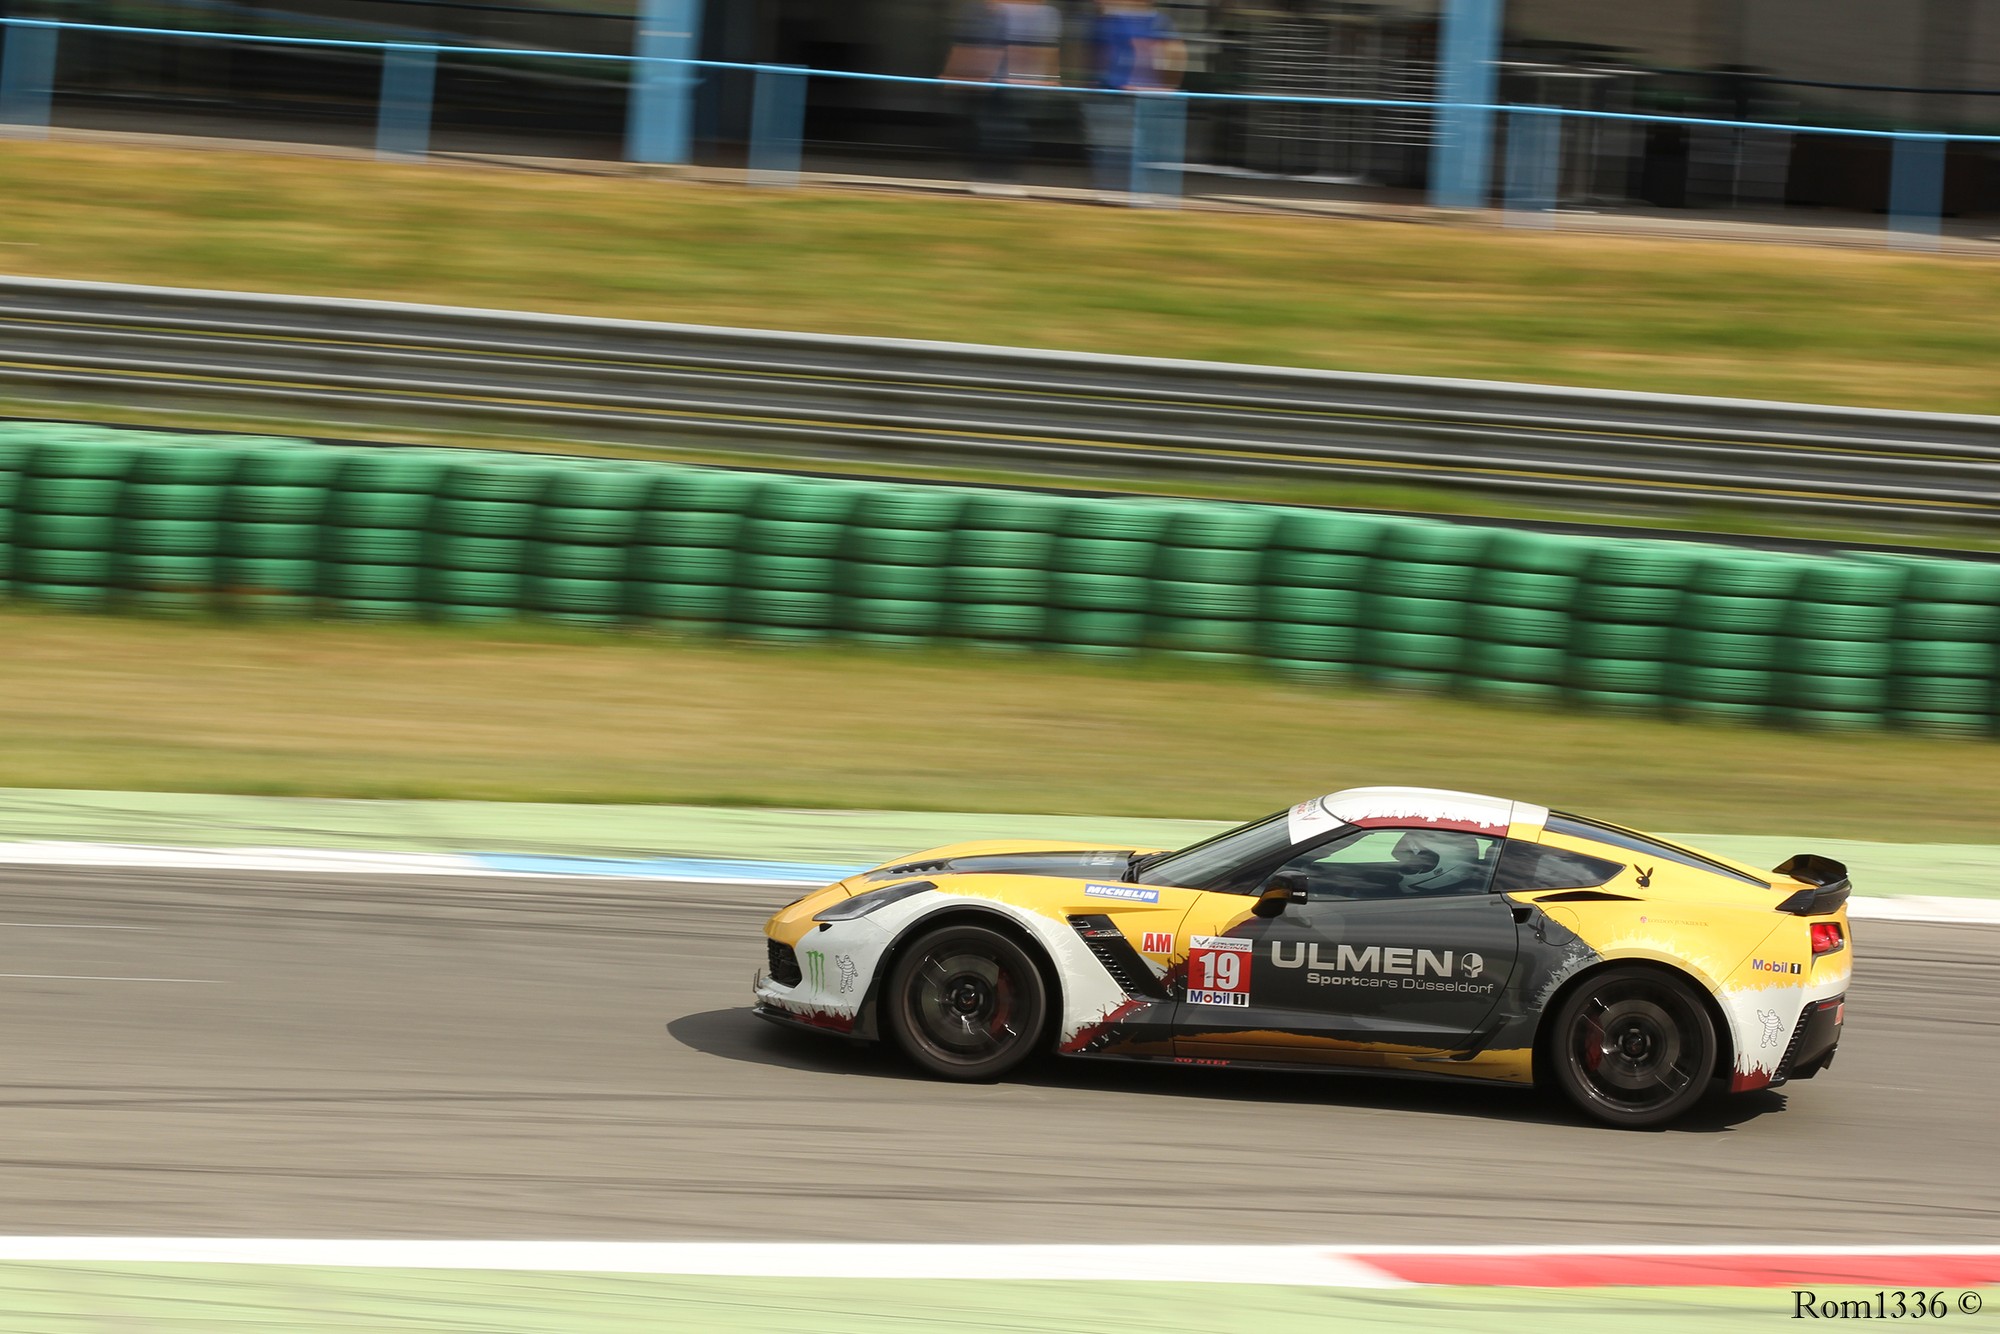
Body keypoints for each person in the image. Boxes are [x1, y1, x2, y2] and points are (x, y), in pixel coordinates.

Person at [942, 0, 1064, 191]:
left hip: (1008, 80)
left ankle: (997, 179)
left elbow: (1038, 47)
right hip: (999, 80)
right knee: (995, 127)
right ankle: (993, 179)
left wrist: (1048, 77)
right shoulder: (992, 12)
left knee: (1003, 128)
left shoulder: (1034, 13)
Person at [1084, 0, 1184, 199]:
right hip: (1123, 91)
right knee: (1122, 145)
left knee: (1123, 145)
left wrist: (1168, 85)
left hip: (1124, 91)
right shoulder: (1116, 20)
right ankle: (1120, 190)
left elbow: (1173, 51)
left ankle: (1123, 191)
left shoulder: (1119, 21)